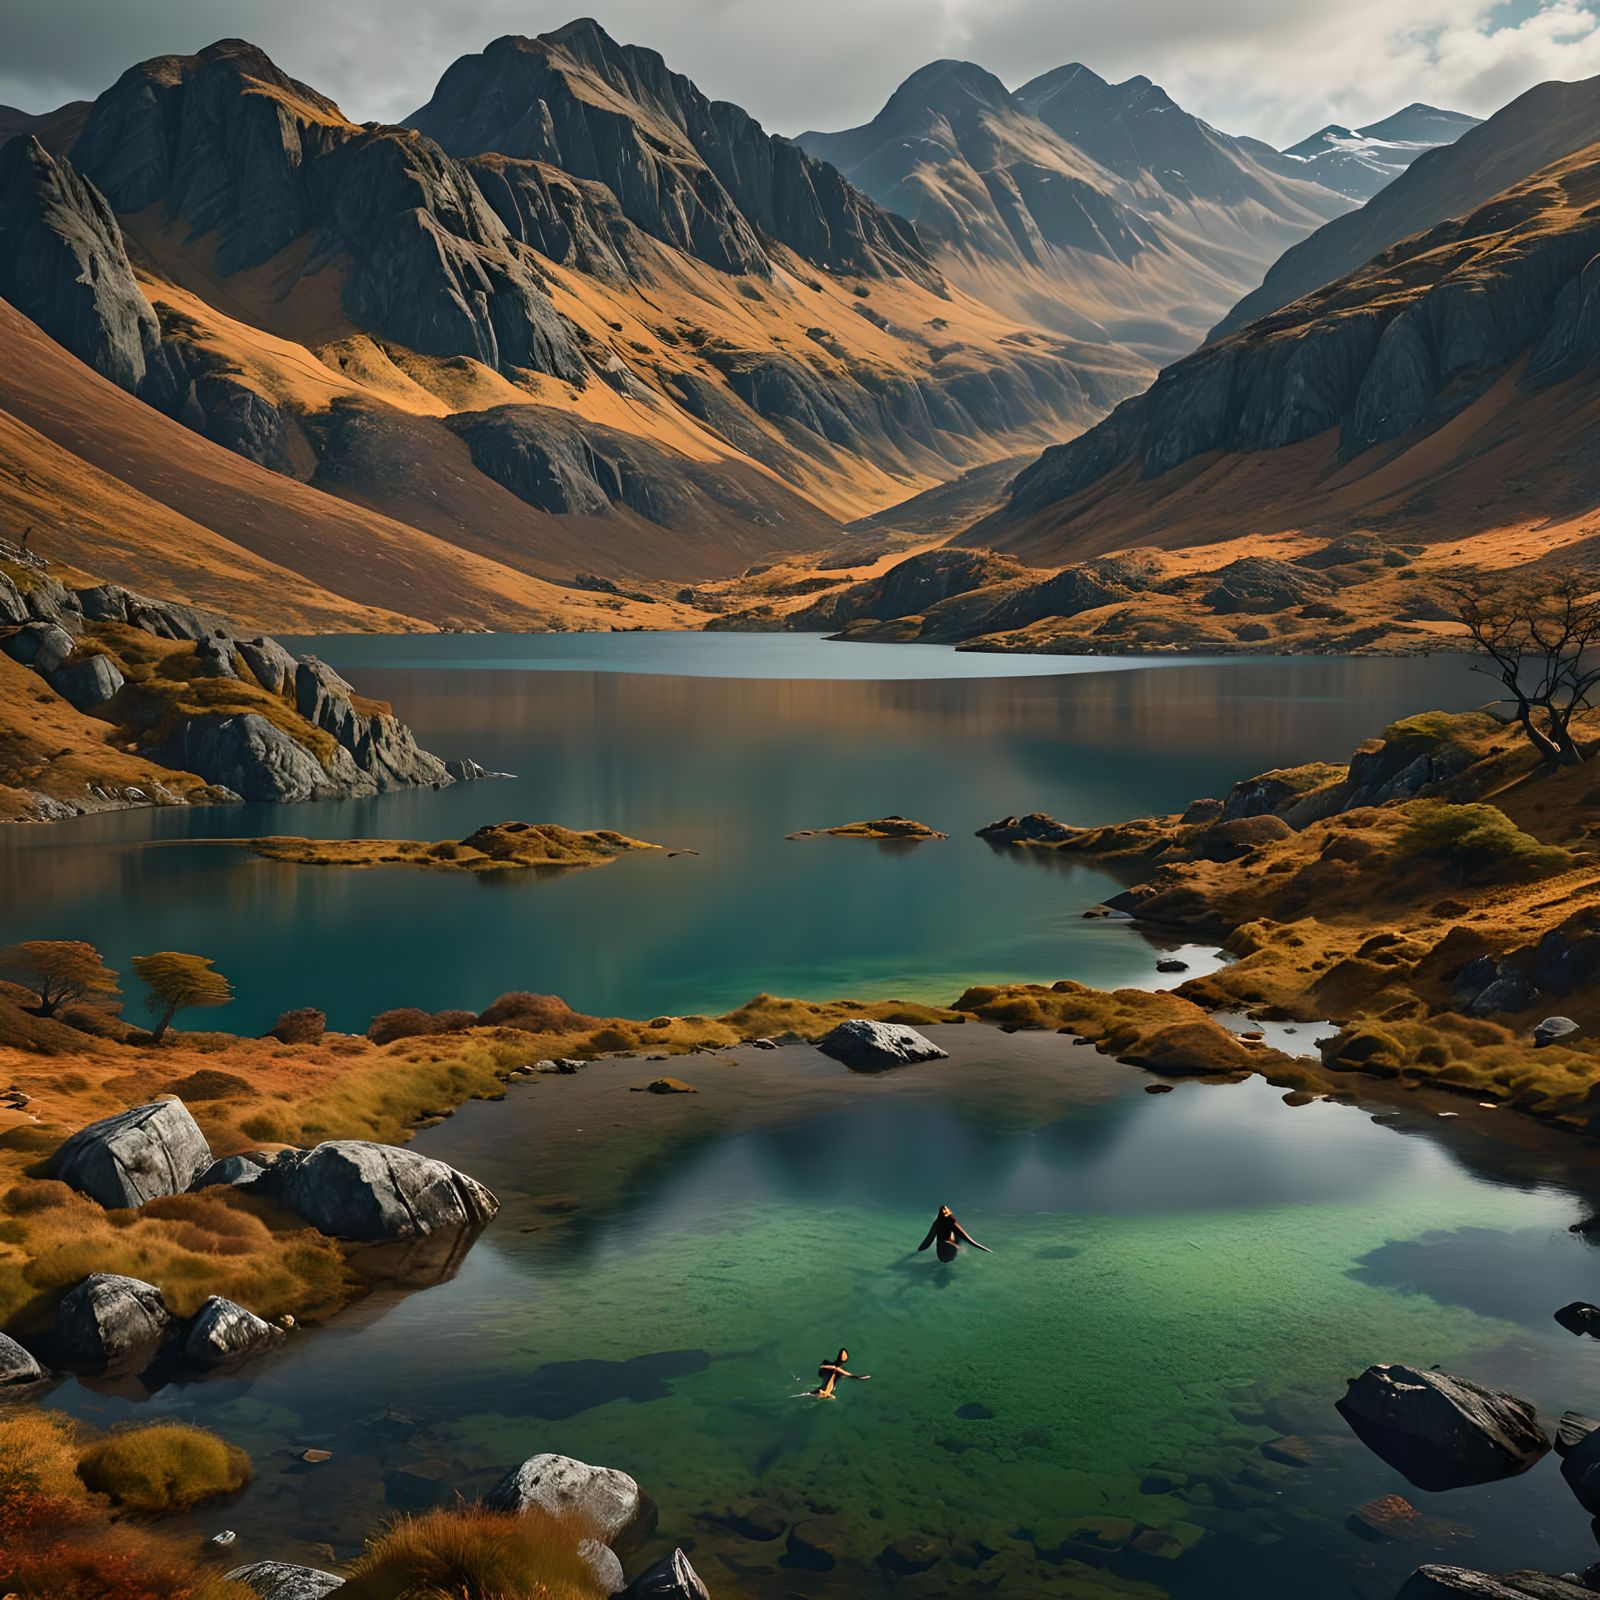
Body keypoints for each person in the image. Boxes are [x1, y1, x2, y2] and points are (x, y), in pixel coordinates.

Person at [918, 1204, 991, 1263]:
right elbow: (928, 1240)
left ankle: (953, 1248)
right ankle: (953, 1248)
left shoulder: (943, 1223)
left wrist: (985, 1250)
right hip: (943, 1253)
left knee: (953, 1240)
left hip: (946, 1252)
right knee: (949, 1242)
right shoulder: (940, 1223)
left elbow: (928, 1241)